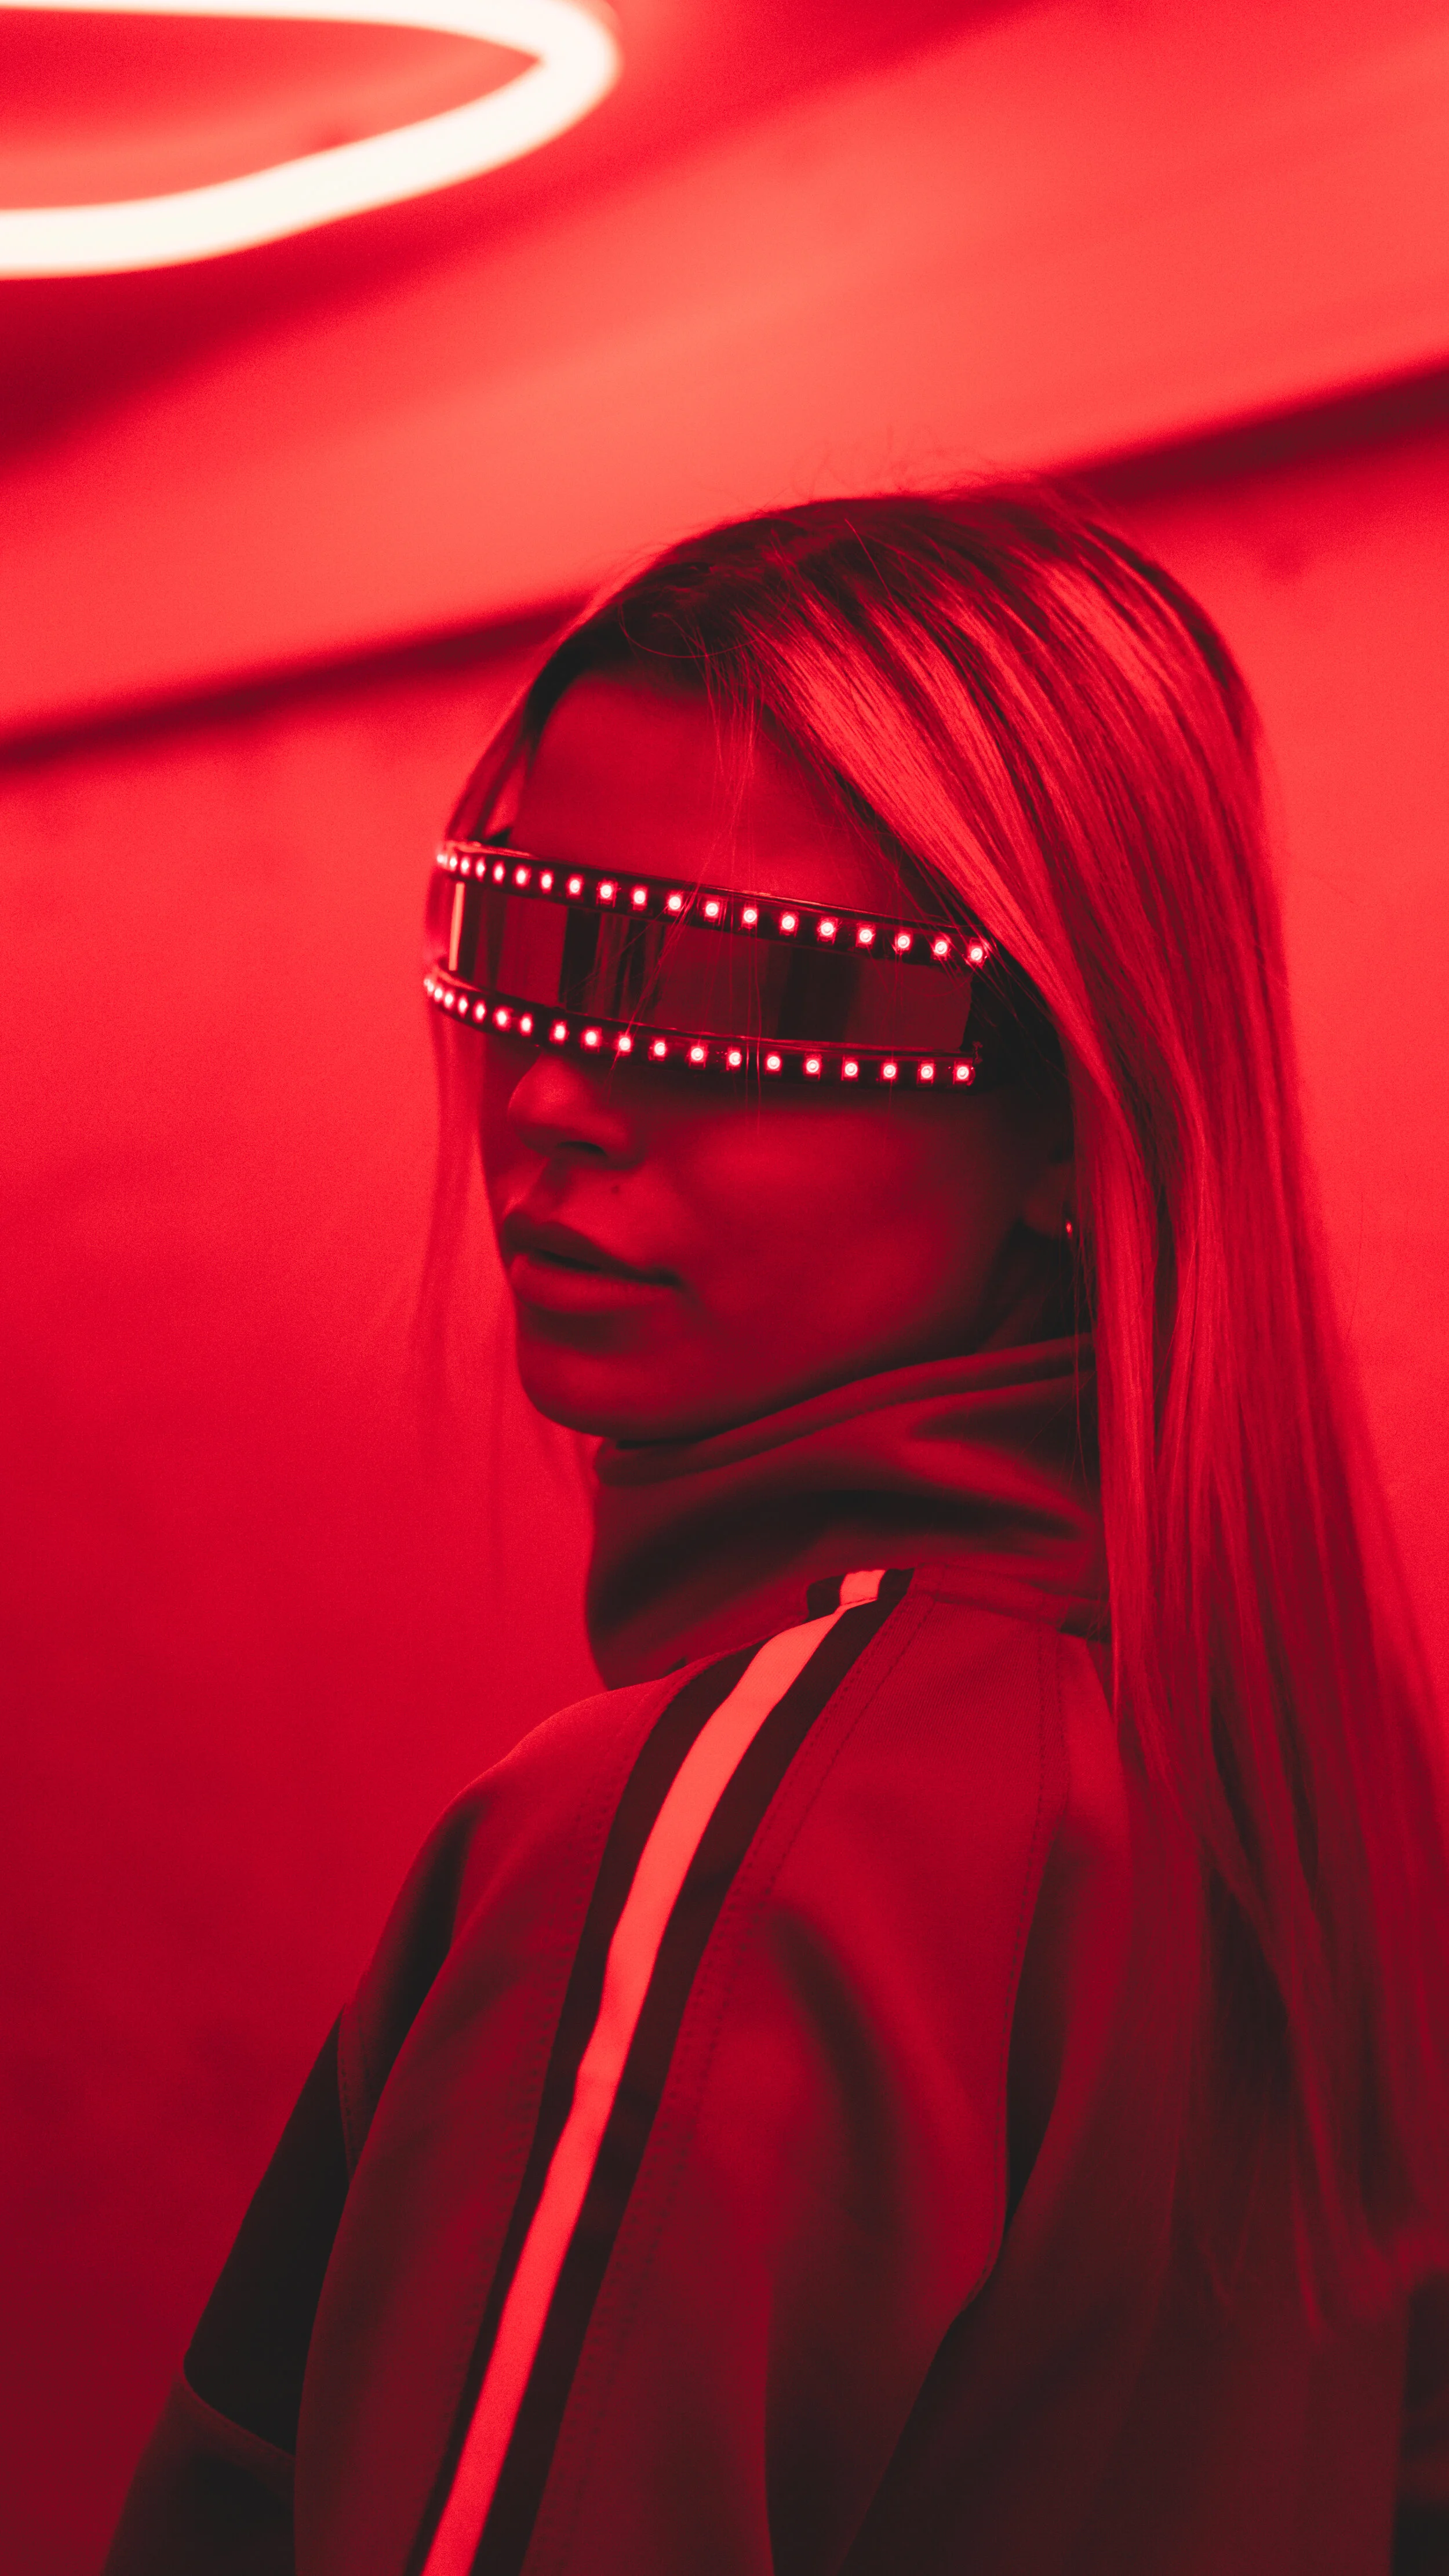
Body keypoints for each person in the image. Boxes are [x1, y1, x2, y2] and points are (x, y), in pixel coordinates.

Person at [103, 488, 1449, 2575]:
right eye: (529, 941)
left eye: (751, 991)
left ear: (1072, 1122)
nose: (555, 1091)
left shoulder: (715, 1850)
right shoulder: (1301, 1810)